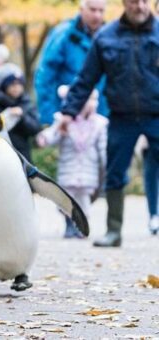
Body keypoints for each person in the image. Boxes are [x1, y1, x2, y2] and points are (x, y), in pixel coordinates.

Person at [58, 0, 159, 247]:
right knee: (114, 174)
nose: (141, 6)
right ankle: (114, 231)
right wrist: (68, 113)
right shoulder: (106, 37)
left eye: (145, 1)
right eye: (135, 2)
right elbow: (85, 79)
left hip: (157, 114)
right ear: (125, 3)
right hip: (121, 117)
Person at [37, 86, 107, 239]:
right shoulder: (64, 120)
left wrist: (107, 162)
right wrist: (45, 137)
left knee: (83, 200)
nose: (92, 104)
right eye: (89, 100)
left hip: (88, 168)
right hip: (68, 167)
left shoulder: (99, 124)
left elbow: (103, 146)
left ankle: (82, 226)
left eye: (94, 100)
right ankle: (69, 224)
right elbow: (51, 136)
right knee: (67, 198)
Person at [35, 0, 110, 125]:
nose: (97, 15)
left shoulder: (110, 36)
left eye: (101, 11)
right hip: (68, 114)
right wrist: (49, 117)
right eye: (93, 9)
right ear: (81, 9)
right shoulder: (63, 35)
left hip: (101, 116)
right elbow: (45, 76)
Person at [0, 63, 41, 162]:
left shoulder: (27, 104)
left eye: (19, 83)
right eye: (12, 84)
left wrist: (22, 117)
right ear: (3, 86)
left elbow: (35, 128)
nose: (16, 87)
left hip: (23, 156)